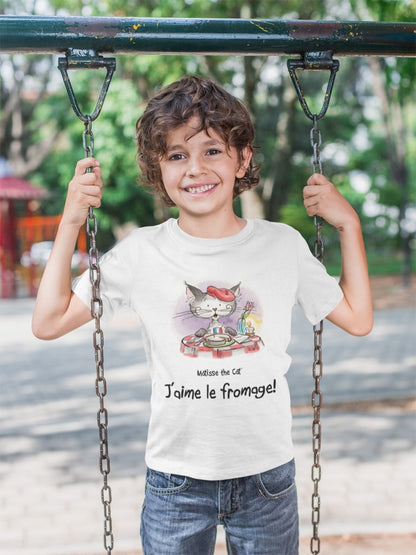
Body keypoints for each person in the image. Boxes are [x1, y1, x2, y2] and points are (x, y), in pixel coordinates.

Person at [33, 75, 373, 554]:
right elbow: (48, 322)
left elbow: (358, 318)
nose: (195, 169)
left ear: (243, 158)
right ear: (159, 167)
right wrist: (70, 221)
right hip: (176, 481)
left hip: (266, 479)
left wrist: (349, 225)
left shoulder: (280, 245)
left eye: (212, 150)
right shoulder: (142, 252)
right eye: (177, 154)